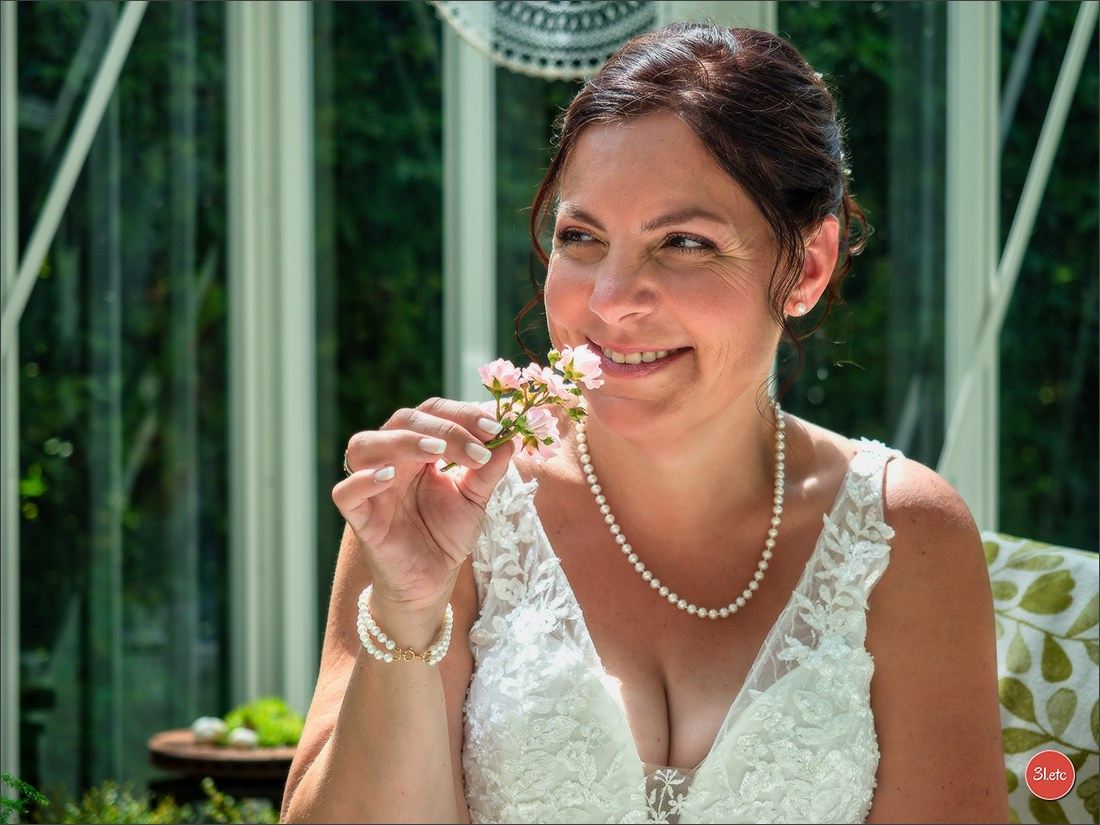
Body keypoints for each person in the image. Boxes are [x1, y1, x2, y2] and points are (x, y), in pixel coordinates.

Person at [281, 21, 1008, 824]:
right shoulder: (437, 504)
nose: (609, 300)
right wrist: (410, 609)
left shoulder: (906, 535)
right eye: (581, 236)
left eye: (685, 242)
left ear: (806, 267)